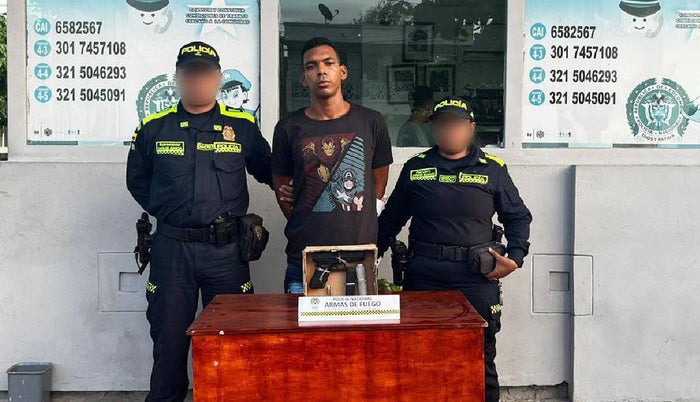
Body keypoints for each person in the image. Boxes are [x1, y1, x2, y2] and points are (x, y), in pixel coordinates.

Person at [126, 41, 291, 402]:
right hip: (173, 252)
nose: (197, 80)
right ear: (178, 77)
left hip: (226, 253)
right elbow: (136, 181)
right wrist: (170, 212)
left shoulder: (241, 126)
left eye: (204, 74)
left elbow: (271, 172)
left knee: (232, 342)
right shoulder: (154, 128)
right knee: (169, 342)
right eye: (190, 73)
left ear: (217, 78)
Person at [377, 95, 532, 402]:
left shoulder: (493, 169)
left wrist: (514, 258)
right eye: (443, 124)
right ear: (434, 129)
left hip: (474, 277)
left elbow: (517, 217)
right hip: (424, 275)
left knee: (479, 356)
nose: (449, 130)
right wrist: (369, 258)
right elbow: (391, 219)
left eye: (456, 124)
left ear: (471, 128)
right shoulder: (416, 167)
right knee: (420, 355)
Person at [271, 37, 393, 294]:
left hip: (359, 258)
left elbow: (379, 182)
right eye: (311, 66)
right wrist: (309, 216)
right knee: (298, 322)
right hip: (304, 257)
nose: (321, 71)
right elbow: (283, 191)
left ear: (343, 72)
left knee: (358, 323)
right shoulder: (288, 128)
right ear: (304, 78)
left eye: (328, 63)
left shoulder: (371, 122)